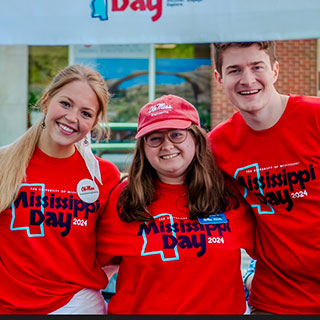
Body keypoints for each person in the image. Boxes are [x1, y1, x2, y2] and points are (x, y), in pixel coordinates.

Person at [96, 94, 255, 314]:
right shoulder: (125, 198)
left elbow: (272, 253)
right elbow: (90, 265)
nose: (167, 145)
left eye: (176, 134)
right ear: (143, 147)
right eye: (154, 138)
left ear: (196, 139)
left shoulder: (227, 194)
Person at [208, 41, 320, 314]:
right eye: (234, 70)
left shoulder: (314, 117)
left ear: (275, 71)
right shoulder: (217, 145)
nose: (247, 80)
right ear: (219, 78)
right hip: (276, 301)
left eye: (257, 67)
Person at [0, 64, 120, 314]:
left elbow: (115, 247)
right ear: (46, 102)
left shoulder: (105, 176)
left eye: (86, 113)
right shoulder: (4, 164)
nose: (72, 118)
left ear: (95, 122)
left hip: (76, 306)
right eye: (65, 104)